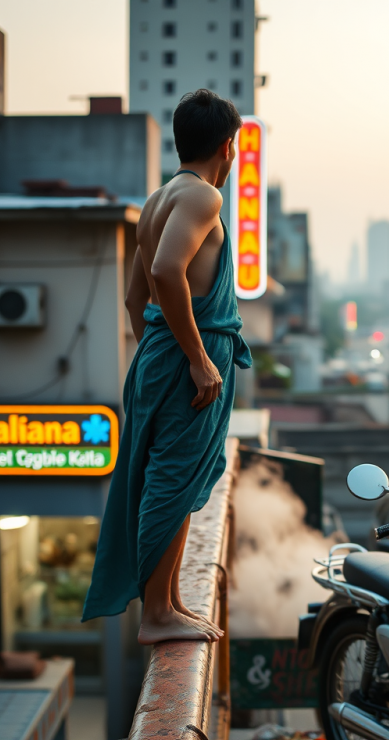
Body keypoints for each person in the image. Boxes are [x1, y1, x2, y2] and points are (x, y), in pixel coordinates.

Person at [82, 89, 252, 644]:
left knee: (170, 477)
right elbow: (165, 271)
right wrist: (197, 359)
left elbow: (136, 298)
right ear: (229, 146)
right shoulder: (202, 198)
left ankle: (170, 599)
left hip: (160, 357)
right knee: (170, 476)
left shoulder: (158, 200)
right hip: (183, 363)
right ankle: (156, 614)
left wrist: (158, 353)